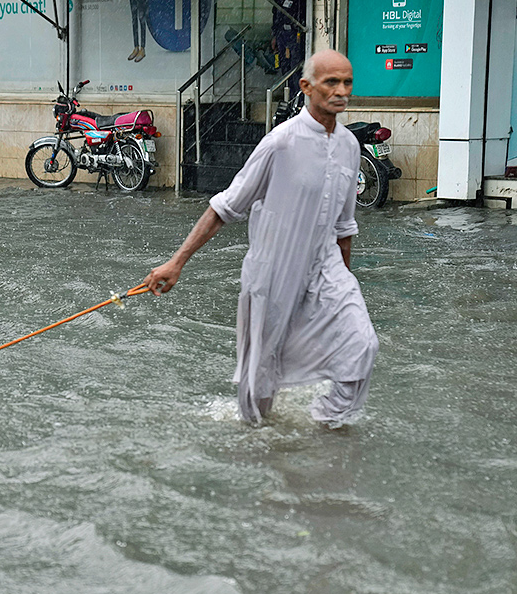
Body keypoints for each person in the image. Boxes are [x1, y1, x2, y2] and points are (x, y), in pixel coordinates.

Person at [143, 49, 378, 427]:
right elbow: (225, 207)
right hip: (274, 270)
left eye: (347, 82)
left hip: (326, 266)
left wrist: (345, 284)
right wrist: (177, 262)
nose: (341, 91)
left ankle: (327, 428)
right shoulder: (280, 142)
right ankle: (257, 442)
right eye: (331, 82)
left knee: (361, 344)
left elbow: (344, 225)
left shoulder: (350, 146)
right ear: (306, 87)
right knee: (260, 374)